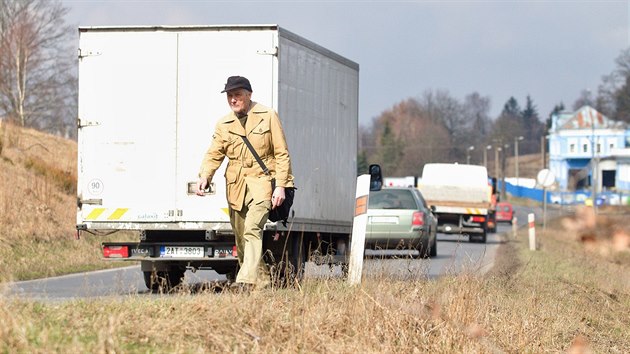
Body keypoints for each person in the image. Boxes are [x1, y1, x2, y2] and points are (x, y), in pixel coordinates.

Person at [196, 76, 294, 292]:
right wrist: (205, 176)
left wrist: (281, 186)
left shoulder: (267, 116)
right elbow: (214, 153)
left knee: (252, 229)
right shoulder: (224, 124)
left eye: (237, 94)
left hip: (263, 183)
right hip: (236, 186)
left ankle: (246, 280)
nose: (233, 99)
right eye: (230, 96)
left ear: (249, 94)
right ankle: (261, 283)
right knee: (241, 239)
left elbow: (281, 153)